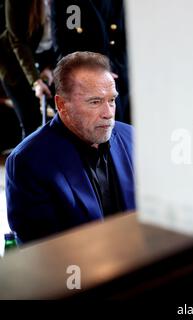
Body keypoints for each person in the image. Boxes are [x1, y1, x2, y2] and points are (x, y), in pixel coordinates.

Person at [6, 51, 135, 243]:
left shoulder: (132, 137)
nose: (108, 113)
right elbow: (42, 251)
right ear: (61, 104)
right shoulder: (28, 162)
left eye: (112, 100)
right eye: (95, 101)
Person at [51, 0, 131, 124]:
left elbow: (125, 38)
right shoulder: (68, 4)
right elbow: (64, 44)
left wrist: (111, 67)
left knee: (123, 132)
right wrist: (92, 70)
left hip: (117, 73)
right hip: (83, 78)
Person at [0, 0, 56, 139]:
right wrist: (36, 81)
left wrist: (49, 67)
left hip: (45, 61)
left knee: (64, 112)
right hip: (14, 63)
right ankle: (26, 160)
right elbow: (18, 41)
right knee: (30, 120)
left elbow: (65, 37)